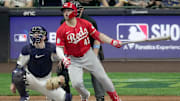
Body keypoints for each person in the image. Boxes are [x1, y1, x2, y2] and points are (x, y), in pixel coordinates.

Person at [56, 2, 122, 101]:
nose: (65, 13)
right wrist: (64, 58)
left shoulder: (86, 22)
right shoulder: (61, 29)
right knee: (76, 84)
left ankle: (114, 97)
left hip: (88, 54)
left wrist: (112, 42)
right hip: (73, 58)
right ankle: (85, 95)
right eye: (64, 11)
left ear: (74, 12)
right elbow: (58, 48)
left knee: (103, 78)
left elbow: (98, 36)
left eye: (68, 10)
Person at [10, 26, 72, 101]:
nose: (35, 36)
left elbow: (65, 58)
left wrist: (62, 74)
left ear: (44, 37)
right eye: (34, 34)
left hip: (47, 82)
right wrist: (13, 83)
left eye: (38, 33)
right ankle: (24, 96)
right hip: (31, 79)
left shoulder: (51, 49)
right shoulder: (27, 49)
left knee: (66, 98)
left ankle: (52, 96)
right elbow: (19, 66)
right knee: (17, 74)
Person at [59, 1, 105, 101]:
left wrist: (95, 56)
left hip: (91, 50)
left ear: (81, 10)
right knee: (61, 68)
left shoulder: (89, 21)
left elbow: (97, 39)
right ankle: (65, 96)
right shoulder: (64, 22)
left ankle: (100, 97)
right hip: (73, 51)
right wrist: (62, 57)